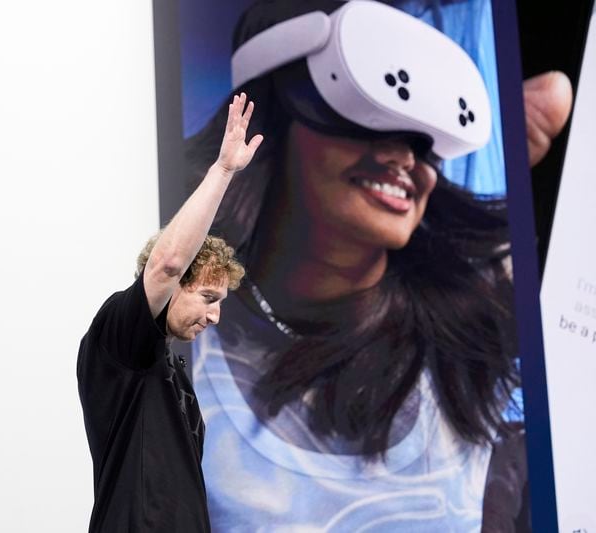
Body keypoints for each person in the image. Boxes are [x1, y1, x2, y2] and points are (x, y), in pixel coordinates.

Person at [173, 1, 572, 531]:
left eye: (425, 139)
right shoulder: (175, 334)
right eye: (366, 111)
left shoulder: (476, 326)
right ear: (273, 112)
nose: (405, 157)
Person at [77, 93, 262, 532]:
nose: (215, 317)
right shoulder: (121, 338)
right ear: (174, 288)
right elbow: (169, 263)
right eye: (208, 298)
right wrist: (223, 170)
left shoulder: (171, 369)